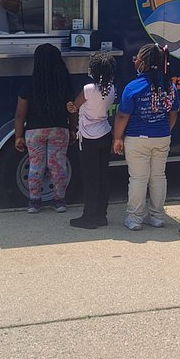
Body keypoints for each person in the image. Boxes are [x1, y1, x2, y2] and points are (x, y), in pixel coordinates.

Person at [113, 43, 180, 231]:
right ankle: (157, 216)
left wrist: (117, 138)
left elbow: (122, 115)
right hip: (162, 137)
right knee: (158, 177)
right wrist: (165, 129)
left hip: (137, 139)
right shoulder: (169, 86)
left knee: (138, 178)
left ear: (143, 63)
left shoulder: (133, 87)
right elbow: (174, 113)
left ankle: (135, 218)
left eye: (138, 58)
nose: (135, 61)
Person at [13, 42, 73, 213]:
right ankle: (59, 201)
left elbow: (20, 115)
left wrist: (18, 135)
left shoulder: (29, 85)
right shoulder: (64, 84)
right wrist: (74, 129)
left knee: (36, 166)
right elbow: (72, 110)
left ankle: (34, 201)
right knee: (58, 165)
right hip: (59, 130)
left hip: (34, 132)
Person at [67, 52, 117, 230]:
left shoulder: (88, 89)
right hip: (105, 133)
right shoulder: (112, 89)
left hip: (88, 137)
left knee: (90, 179)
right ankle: (101, 215)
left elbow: (75, 106)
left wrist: (70, 107)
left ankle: (89, 217)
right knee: (103, 176)